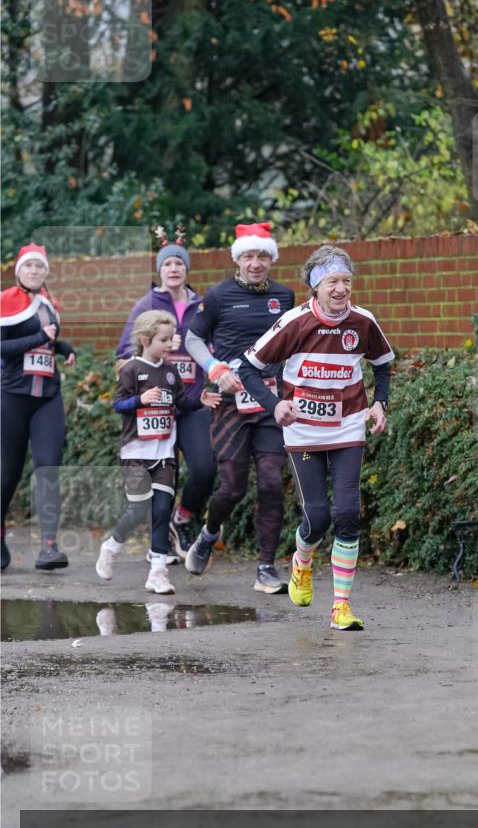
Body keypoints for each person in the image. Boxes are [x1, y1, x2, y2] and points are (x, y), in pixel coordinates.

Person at [238, 244, 393, 630]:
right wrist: (275, 405)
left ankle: (341, 607)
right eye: (332, 282)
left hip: (348, 425)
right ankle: (302, 560)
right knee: (318, 517)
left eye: (346, 281)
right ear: (314, 286)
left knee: (346, 514)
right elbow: (248, 368)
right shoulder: (294, 322)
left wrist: (380, 404)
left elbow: (384, 366)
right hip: (303, 430)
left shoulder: (362, 321)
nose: (340, 289)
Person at [184, 222, 295, 593]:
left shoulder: (285, 295)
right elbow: (194, 337)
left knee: (271, 484)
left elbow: (293, 345)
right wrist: (214, 369)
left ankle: (266, 568)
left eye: (263, 256)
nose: (256, 263)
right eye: (249, 256)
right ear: (238, 259)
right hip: (231, 402)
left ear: (271, 259)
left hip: (270, 403)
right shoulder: (218, 296)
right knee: (231, 487)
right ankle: (209, 532)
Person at [95, 310, 220, 595]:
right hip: (136, 453)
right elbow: (117, 405)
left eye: (171, 338)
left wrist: (199, 401)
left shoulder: (170, 371)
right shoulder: (130, 369)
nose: (170, 343)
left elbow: (181, 404)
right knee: (139, 509)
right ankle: (112, 546)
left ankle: (158, 573)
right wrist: (140, 399)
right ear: (145, 339)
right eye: (164, 339)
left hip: (164, 452)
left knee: (162, 511)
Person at [115, 227, 216, 562]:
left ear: (187, 269)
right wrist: (149, 374)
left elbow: (213, 349)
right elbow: (122, 357)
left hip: (193, 404)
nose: (174, 269)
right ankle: (158, 548)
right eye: (168, 264)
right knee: (162, 478)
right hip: (156, 408)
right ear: (159, 269)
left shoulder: (202, 306)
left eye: (179, 263)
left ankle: (182, 520)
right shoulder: (146, 305)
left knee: (204, 468)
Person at [1, 243, 76, 571]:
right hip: (12, 397)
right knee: (7, 473)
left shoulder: (50, 303)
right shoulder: (5, 301)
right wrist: (38, 339)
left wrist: (62, 347)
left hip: (47, 396)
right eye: (28, 266)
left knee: (48, 468)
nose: (34, 271)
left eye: (39, 267)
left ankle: (48, 547)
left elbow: (47, 338)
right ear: (19, 271)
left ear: (46, 272)